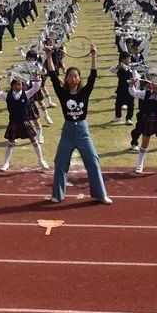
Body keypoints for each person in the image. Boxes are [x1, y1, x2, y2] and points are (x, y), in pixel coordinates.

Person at [44, 43, 111, 204]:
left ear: (79, 79)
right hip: (67, 131)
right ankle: (57, 195)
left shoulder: (84, 92)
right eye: (70, 76)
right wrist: (48, 56)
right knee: (60, 162)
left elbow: (93, 77)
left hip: (82, 130)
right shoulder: (62, 93)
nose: (73, 78)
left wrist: (94, 55)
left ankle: (100, 194)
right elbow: (53, 76)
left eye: (76, 76)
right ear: (66, 79)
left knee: (93, 161)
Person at [0, 71, 49, 171]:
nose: (19, 86)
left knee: (34, 141)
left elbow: (35, 88)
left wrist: (37, 77)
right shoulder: (7, 96)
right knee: (10, 142)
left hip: (25, 122)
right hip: (13, 122)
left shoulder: (26, 94)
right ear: (12, 86)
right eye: (16, 84)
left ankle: (41, 160)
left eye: (20, 84)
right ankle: (6, 163)